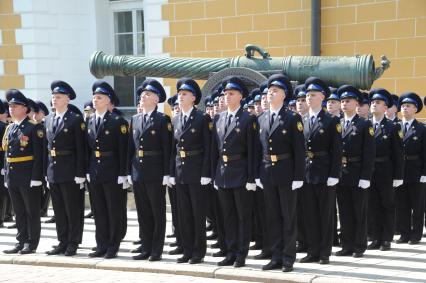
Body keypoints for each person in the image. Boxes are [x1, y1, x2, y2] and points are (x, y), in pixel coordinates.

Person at [255, 74, 305, 272]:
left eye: (275, 90)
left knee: (288, 217)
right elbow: (259, 150)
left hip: (286, 173)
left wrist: (299, 177)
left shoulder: (292, 118)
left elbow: (299, 150)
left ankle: (287, 257)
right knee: (272, 217)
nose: (270, 93)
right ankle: (275, 256)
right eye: (269, 91)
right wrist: (258, 174)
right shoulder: (261, 118)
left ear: (284, 95)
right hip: (267, 173)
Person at [211, 76, 256, 268]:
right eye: (225, 94)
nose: (227, 97)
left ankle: (241, 254)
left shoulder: (248, 119)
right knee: (227, 216)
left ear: (240, 96)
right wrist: (214, 175)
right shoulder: (219, 118)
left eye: (231, 94)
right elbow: (215, 150)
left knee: (242, 216)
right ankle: (230, 251)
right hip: (223, 173)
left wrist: (251, 177)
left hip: (241, 172)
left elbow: (254, 151)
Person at [299, 77, 342, 265]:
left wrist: (334, 174)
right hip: (307, 173)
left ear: (322, 97)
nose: (309, 98)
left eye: (313, 95)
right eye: (307, 95)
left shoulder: (331, 121)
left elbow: (337, 150)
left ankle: (324, 252)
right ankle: (312, 250)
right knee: (309, 215)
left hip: (325, 173)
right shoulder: (303, 120)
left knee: (325, 215)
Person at [169, 78, 211, 264]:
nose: (180, 97)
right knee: (183, 213)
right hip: (180, 171)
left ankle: (198, 251)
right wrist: (171, 173)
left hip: (196, 171)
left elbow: (209, 148)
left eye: (184, 94)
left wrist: (206, 173)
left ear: (193, 98)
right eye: (179, 94)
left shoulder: (202, 118)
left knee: (197, 213)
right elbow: (173, 149)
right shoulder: (176, 119)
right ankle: (186, 249)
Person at [128, 79, 171, 261]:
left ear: (156, 99)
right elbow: (131, 148)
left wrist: (166, 173)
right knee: (143, 212)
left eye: (148, 94)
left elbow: (167, 148)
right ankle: (145, 246)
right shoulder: (135, 119)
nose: (143, 97)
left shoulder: (162, 120)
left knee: (156, 211)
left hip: (155, 172)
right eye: (142, 94)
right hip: (138, 171)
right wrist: (129, 172)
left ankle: (156, 249)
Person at [86, 80, 129, 259]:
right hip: (95, 171)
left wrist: (123, 173)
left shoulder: (117, 121)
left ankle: (113, 245)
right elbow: (87, 149)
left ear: (108, 100)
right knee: (99, 210)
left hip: (112, 171)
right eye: (94, 97)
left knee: (114, 210)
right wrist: (86, 170)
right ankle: (101, 244)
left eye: (100, 97)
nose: (95, 100)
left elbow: (124, 150)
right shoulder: (88, 121)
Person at [44, 81, 86, 256]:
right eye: (53, 97)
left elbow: (81, 148)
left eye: (58, 97)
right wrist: (46, 173)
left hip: (70, 170)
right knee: (59, 210)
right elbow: (46, 148)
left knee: (72, 209)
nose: (54, 100)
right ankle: (62, 241)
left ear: (67, 99)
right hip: (54, 170)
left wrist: (80, 173)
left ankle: (73, 242)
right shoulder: (48, 119)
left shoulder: (75, 120)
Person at [2, 89, 44, 254]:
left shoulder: (33, 128)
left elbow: (39, 155)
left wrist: (36, 177)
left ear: (25, 108)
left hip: (28, 176)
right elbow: (7, 154)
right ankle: (21, 240)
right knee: (18, 211)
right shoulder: (11, 128)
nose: (11, 109)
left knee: (31, 210)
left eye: (16, 106)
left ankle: (31, 243)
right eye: (10, 106)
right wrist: (6, 174)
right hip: (13, 175)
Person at [335, 85, 375, 258]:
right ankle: (346, 245)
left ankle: (359, 245)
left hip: (358, 172)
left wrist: (366, 176)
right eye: (342, 101)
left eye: (348, 101)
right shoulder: (338, 123)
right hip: (342, 174)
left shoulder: (364, 124)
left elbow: (369, 152)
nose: (344, 104)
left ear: (356, 103)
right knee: (344, 211)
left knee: (359, 211)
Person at [367, 88, 404, 251]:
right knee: (373, 205)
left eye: (378, 103)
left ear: (385, 107)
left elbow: (398, 153)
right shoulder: (365, 125)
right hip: (369, 171)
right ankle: (376, 237)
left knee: (387, 205)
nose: (374, 105)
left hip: (386, 171)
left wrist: (398, 175)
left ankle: (386, 238)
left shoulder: (392, 127)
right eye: (373, 102)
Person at [395, 92, 426, 245]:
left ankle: (416, 234)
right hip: (400, 172)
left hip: (416, 171)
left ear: (415, 109)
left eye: (408, 106)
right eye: (403, 106)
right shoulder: (396, 127)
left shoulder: (421, 128)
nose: (405, 108)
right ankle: (404, 233)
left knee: (417, 205)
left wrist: (424, 173)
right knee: (402, 205)